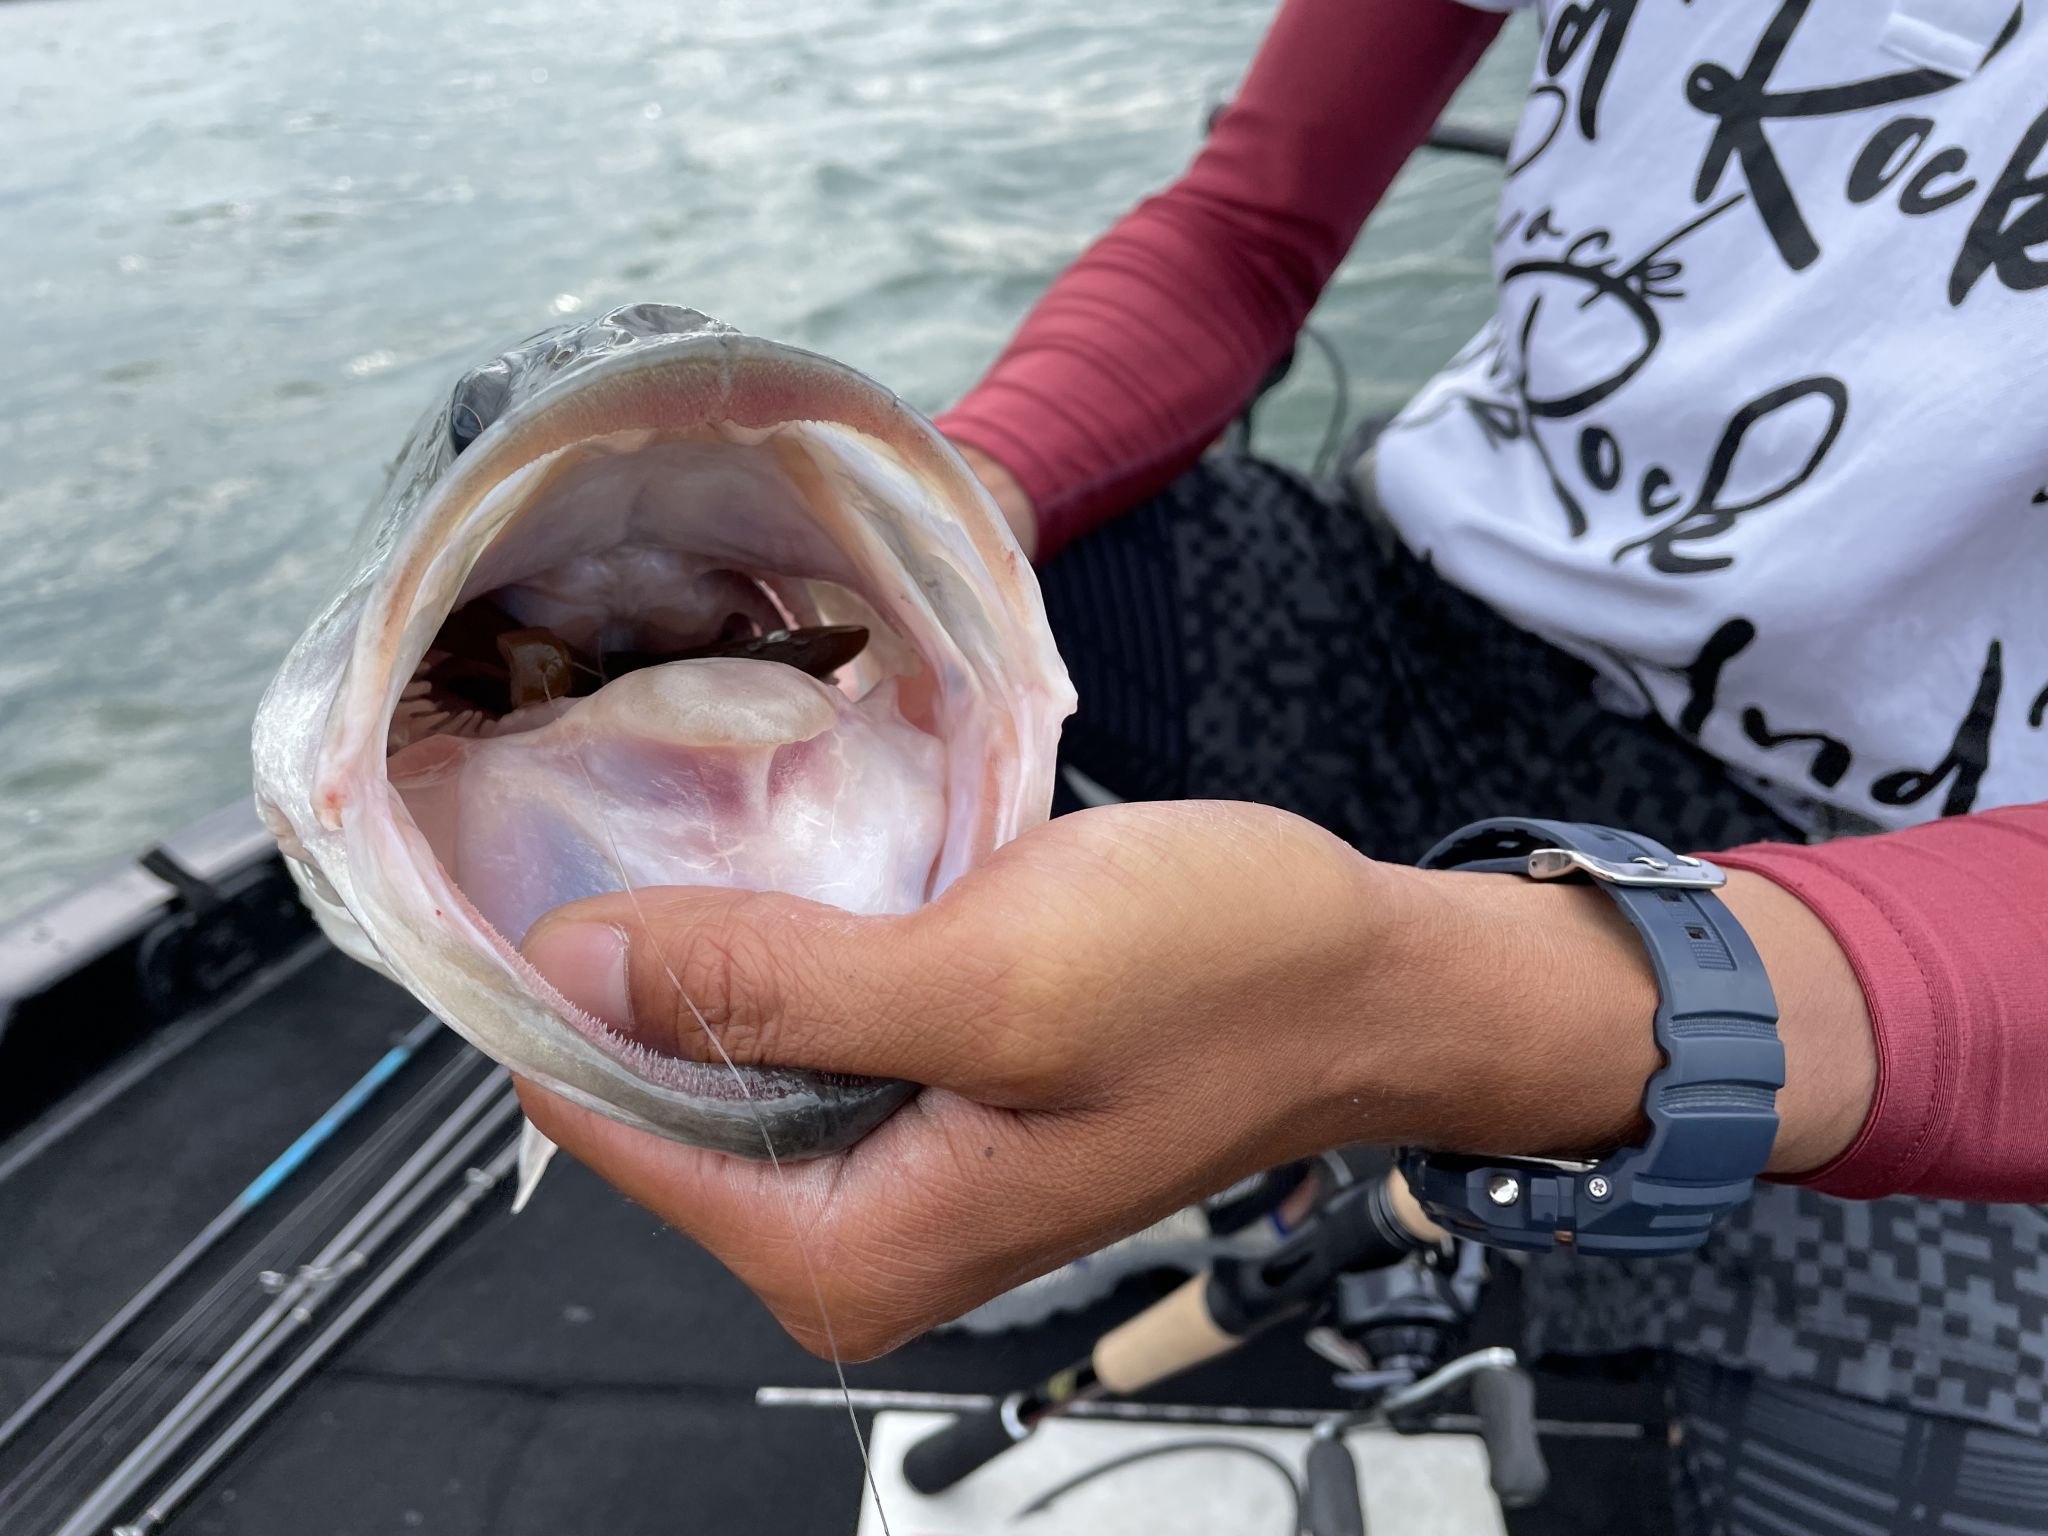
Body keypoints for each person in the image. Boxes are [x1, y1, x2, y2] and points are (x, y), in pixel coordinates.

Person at [518, 2, 2048, 1530]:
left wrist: (1407, 1010)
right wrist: (963, 501)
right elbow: (1247, 226)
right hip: (1421, 620)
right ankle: (1097, 1099)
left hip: (1929, 862)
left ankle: (1208, 1111)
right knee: (935, 603)